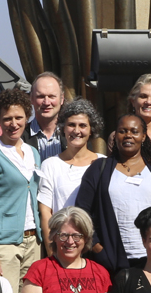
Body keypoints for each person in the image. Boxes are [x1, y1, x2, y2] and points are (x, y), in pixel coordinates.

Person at [76, 114, 151, 275]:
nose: (128, 135)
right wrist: (97, 247)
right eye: (122, 131)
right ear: (115, 135)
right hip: (112, 263)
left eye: (134, 131)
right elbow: (81, 213)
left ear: (143, 136)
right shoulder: (99, 169)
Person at [0, 87, 43, 293]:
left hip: (34, 242)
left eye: (19, 118)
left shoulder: (33, 152)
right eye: (7, 119)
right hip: (5, 245)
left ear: (27, 117)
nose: (14, 124)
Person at [37, 99, 105, 246]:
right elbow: (45, 213)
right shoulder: (50, 165)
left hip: (96, 245)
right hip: (63, 245)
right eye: (71, 125)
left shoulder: (103, 163)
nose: (76, 131)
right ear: (63, 128)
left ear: (91, 129)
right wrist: (52, 252)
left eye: (82, 125)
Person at [26, 72, 65, 159]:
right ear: (31, 98)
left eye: (52, 96)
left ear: (61, 99)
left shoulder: (73, 136)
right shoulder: (20, 137)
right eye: (41, 96)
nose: (46, 102)